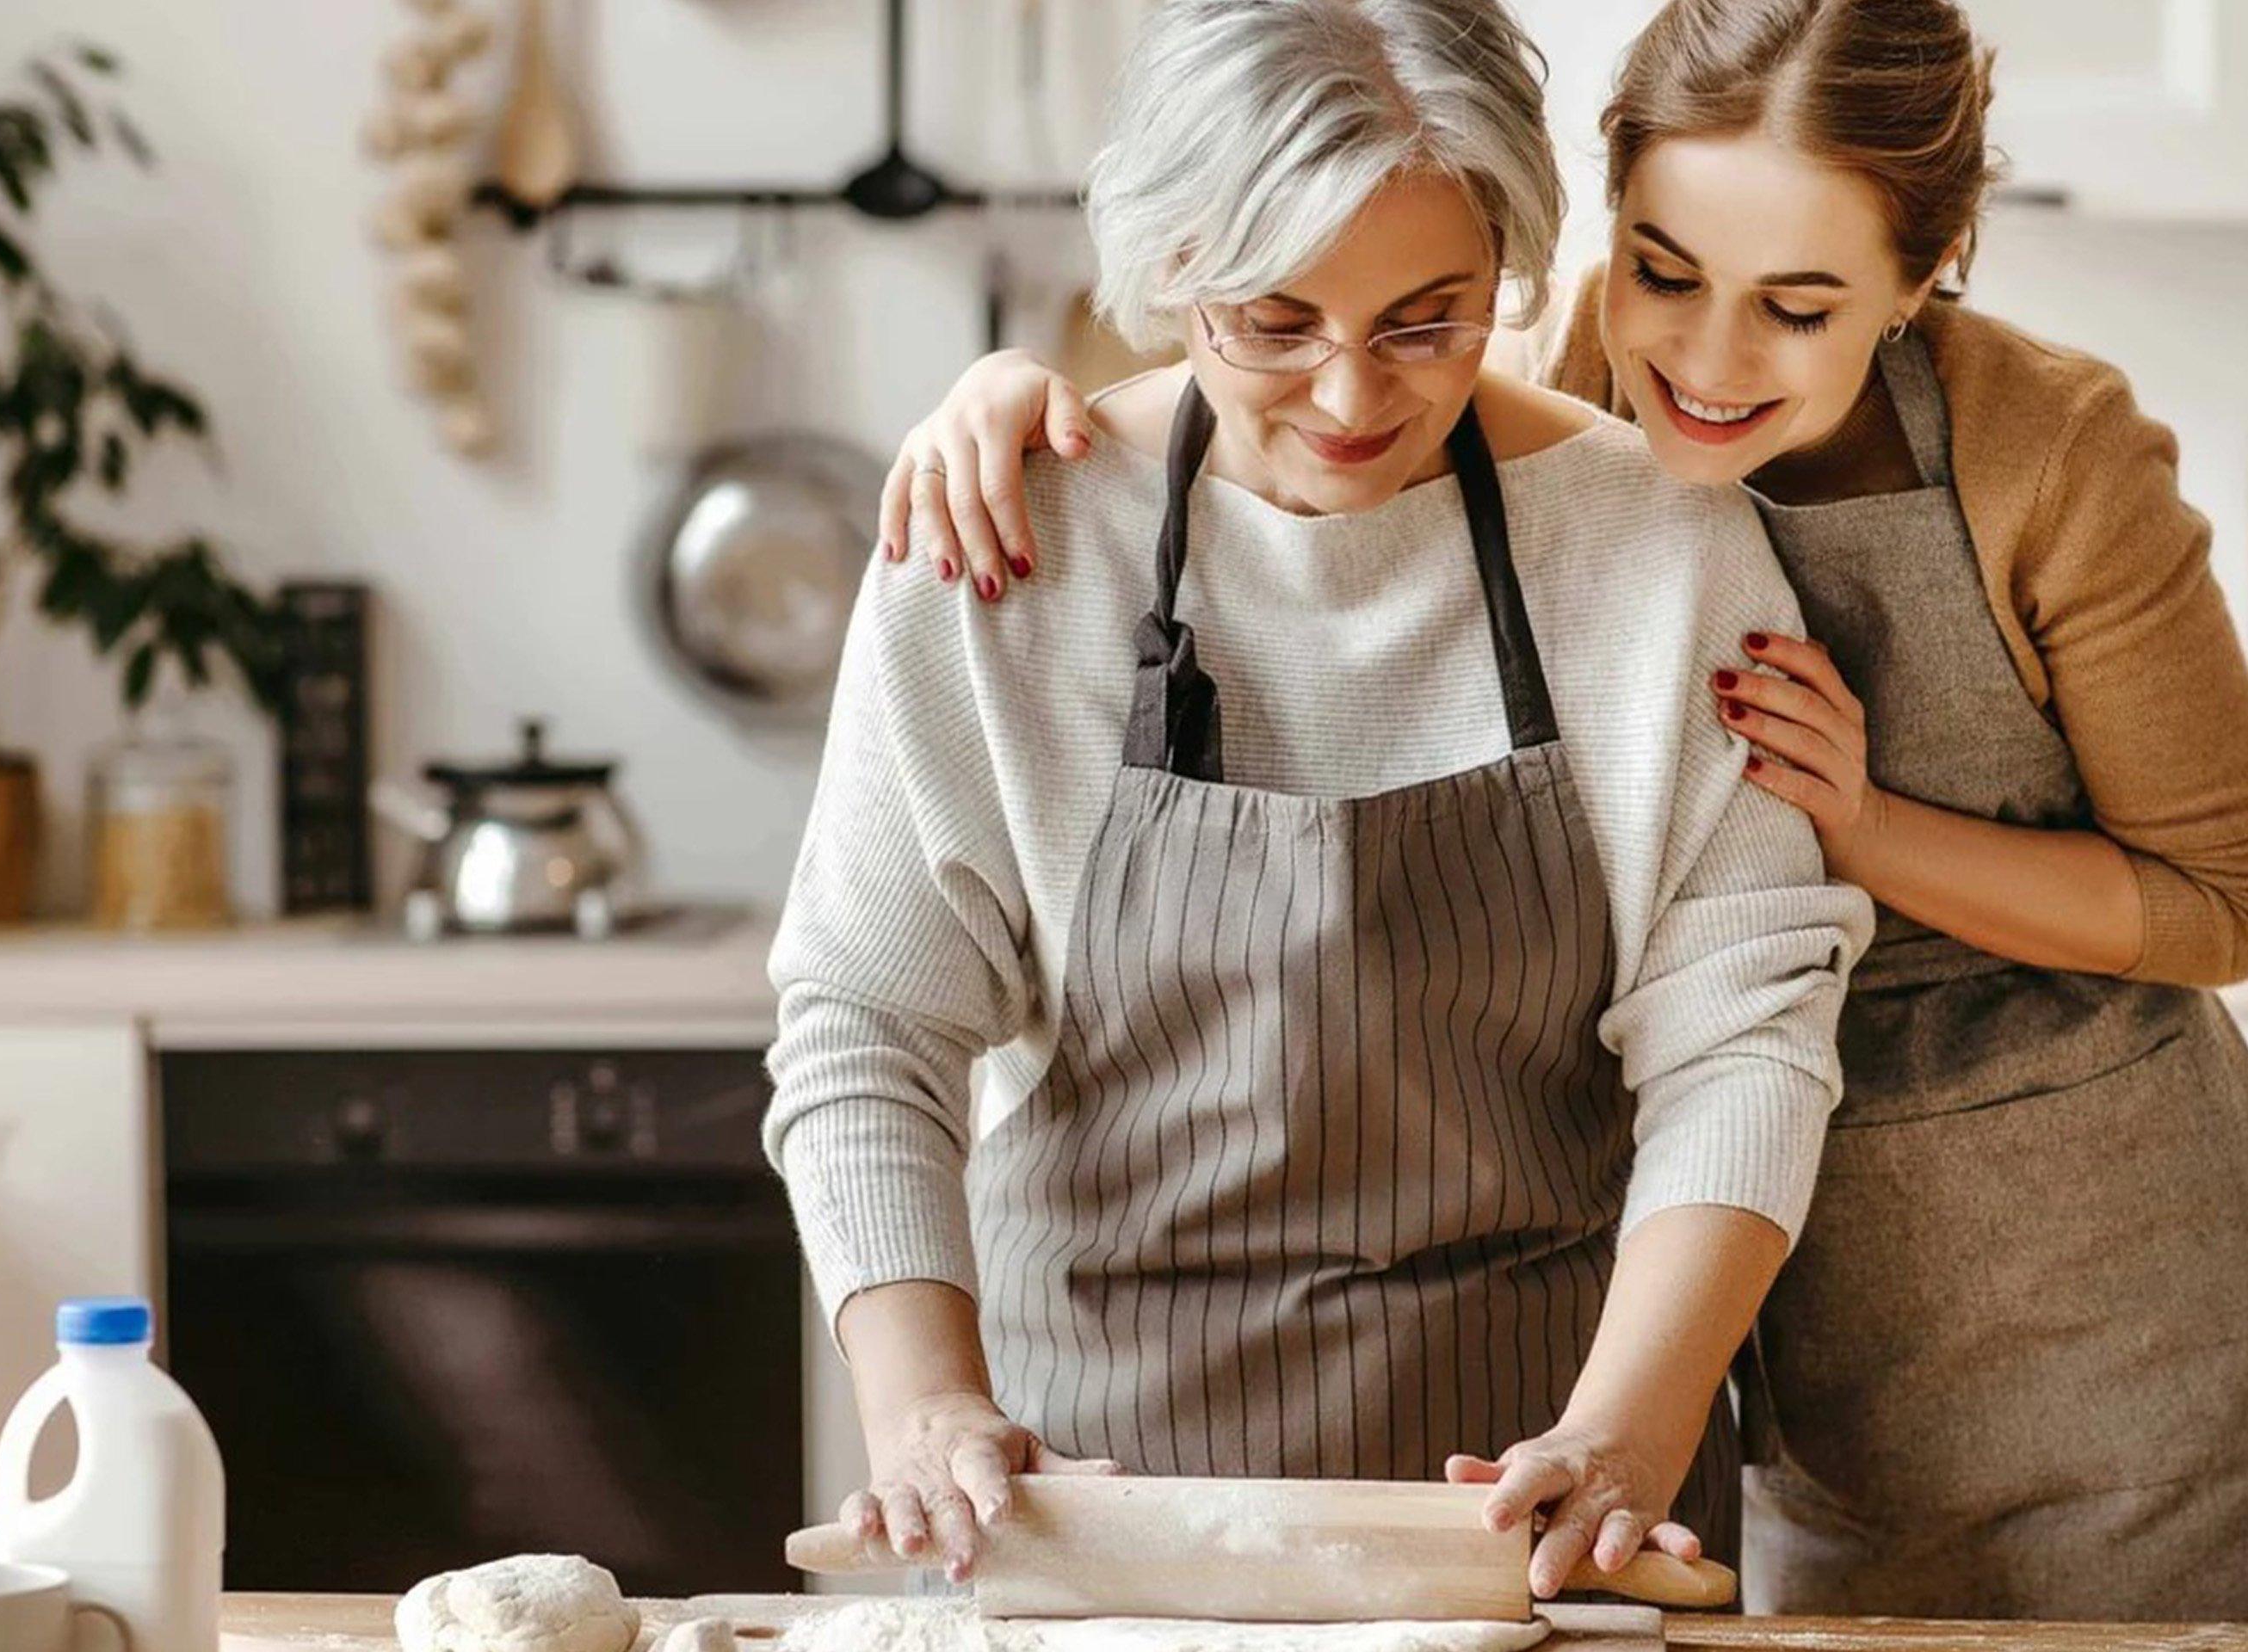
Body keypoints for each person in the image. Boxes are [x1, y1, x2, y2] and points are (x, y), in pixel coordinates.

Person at [867, 0, 2248, 1624]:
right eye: (1665, 273)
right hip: (1773, 1294)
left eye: (1799, 307)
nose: (1708, 365)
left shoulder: (2035, 458)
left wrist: (1864, 828)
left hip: (2089, 1278)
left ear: (1925, 280)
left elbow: (2226, 903)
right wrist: (1016, 394)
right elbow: (1324, 344)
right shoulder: (1566, 396)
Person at [764, 0, 1868, 1604]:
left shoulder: (1655, 548)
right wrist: (923, 1400)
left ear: (1510, 270)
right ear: (1169, 280)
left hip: (1546, 1513)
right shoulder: (1006, 545)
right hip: (1097, 1509)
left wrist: (1629, 1432)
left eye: (1430, 322)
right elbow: (869, 1018)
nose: (1353, 397)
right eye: (1273, 325)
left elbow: (1747, 1028)